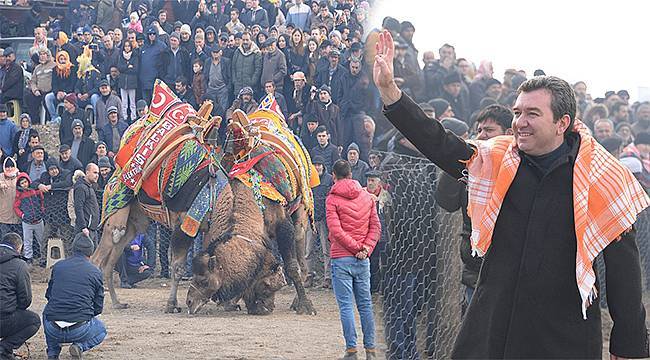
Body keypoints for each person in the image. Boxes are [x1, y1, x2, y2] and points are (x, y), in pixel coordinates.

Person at [373, 31, 649, 359]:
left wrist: (629, 343)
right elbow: (440, 143)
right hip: (493, 325)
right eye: (517, 112)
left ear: (562, 123)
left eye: (532, 114)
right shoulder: (497, 159)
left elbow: (624, 268)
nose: (519, 122)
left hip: (562, 334)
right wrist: (391, 92)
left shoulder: (603, 177)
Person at [326, 159, 380, 360]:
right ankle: (371, 351)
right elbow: (376, 227)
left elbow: (335, 231)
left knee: (346, 306)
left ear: (334, 176)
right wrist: (366, 249)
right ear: (351, 174)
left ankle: (351, 351)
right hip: (362, 260)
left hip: (341, 259)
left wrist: (357, 248)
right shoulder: (367, 197)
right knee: (365, 305)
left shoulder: (332, 198)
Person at [43, 233, 106, 359]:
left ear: (73, 249)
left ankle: (53, 353)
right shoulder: (95, 272)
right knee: (102, 331)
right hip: (80, 328)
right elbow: (98, 306)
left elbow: (49, 295)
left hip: (53, 328)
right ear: (91, 252)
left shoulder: (58, 266)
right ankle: (79, 346)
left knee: (46, 312)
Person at [0, 232, 40, 360]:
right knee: (33, 320)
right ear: (19, 247)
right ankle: (4, 348)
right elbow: (25, 300)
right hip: (5, 318)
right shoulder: (19, 265)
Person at [34, 157, 74, 257]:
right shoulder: (44, 176)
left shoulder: (66, 174)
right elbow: (32, 182)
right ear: (48, 170)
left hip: (63, 214)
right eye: (51, 169)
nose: (54, 171)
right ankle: (44, 259)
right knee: (46, 238)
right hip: (50, 215)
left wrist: (51, 186)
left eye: (55, 168)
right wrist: (40, 186)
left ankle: (69, 258)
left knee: (67, 238)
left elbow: (67, 183)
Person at [305, 155, 333, 288]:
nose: (317, 167)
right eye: (315, 165)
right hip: (310, 218)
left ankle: (328, 277)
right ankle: (309, 275)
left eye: (319, 164)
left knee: (326, 250)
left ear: (323, 166)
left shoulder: (329, 179)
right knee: (308, 250)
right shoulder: (309, 178)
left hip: (324, 220)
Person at [13, 173, 45, 265]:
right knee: (27, 241)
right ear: (19, 185)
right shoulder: (19, 195)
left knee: (41, 239)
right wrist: (22, 215)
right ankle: (28, 258)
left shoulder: (34, 191)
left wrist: (42, 209)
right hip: (27, 222)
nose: (24, 184)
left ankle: (43, 257)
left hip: (38, 220)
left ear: (28, 181)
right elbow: (16, 207)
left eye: (25, 182)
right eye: (22, 183)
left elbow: (42, 199)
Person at [73, 164, 100, 244]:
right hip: (85, 230)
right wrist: (83, 227)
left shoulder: (89, 186)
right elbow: (78, 208)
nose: (97, 176)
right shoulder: (81, 187)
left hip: (92, 228)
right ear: (87, 172)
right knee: (85, 255)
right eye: (95, 173)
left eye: (98, 173)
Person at [231, 31, 263, 98]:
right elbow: (233, 67)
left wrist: (252, 82)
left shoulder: (256, 53)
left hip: (250, 88)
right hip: (238, 87)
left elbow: (258, 70)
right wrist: (235, 81)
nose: (245, 42)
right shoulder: (237, 51)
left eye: (247, 40)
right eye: (243, 40)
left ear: (251, 40)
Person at [0, 159, 21, 239]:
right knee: (4, 239)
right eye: (7, 167)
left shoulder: (20, 176)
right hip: (4, 216)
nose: (9, 169)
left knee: (18, 239)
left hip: (18, 216)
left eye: (11, 166)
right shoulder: (1, 177)